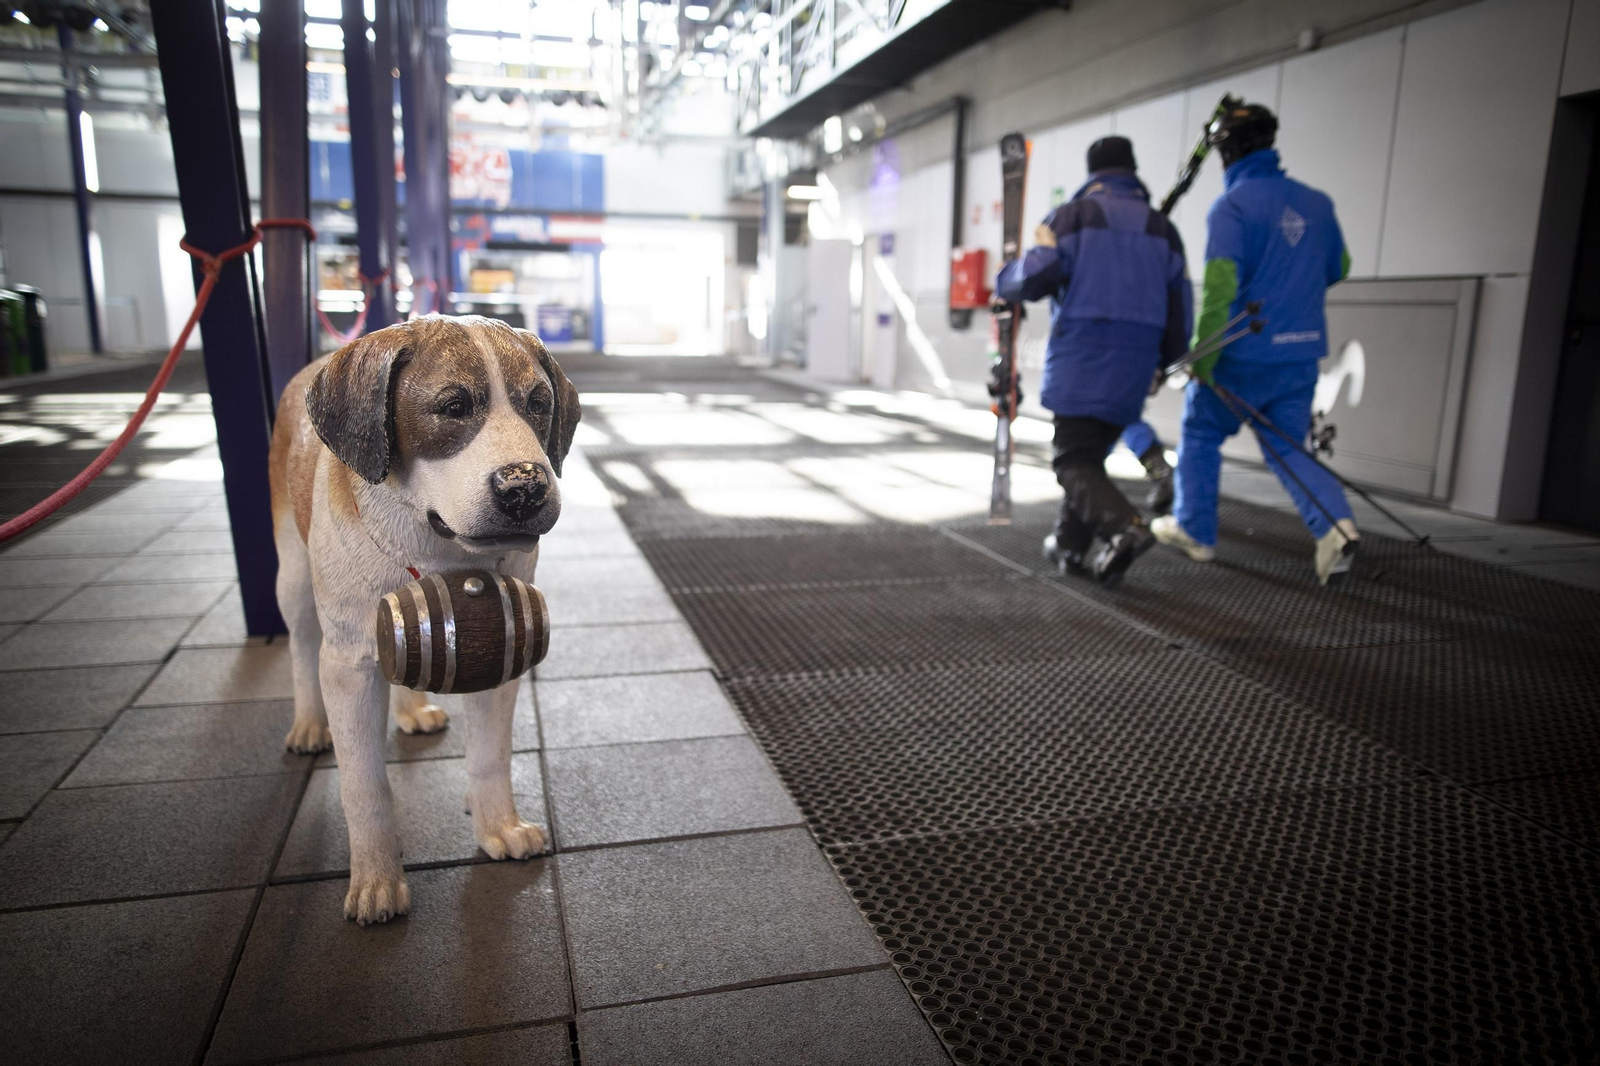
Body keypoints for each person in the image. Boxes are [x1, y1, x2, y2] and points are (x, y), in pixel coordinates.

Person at [1149, 101, 1360, 586]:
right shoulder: (1318, 202)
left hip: (1242, 354)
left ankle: (1194, 531)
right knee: (1289, 446)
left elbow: (1221, 288)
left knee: (1201, 433)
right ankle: (1335, 527)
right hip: (1301, 353)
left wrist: (1204, 358)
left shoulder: (1233, 206)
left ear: (1226, 152)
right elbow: (1339, 267)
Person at [995, 135, 1192, 585]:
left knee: (1072, 461)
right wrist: (1168, 361)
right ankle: (1069, 545)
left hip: (1083, 357)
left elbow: (1030, 281)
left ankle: (1125, 526)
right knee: (1089, 457)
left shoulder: (1071, 218)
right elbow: (1180, 302)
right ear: (1132, 169)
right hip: (1137, 363)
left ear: (1092, 173)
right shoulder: (1162, 228)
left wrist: (1028, 259)